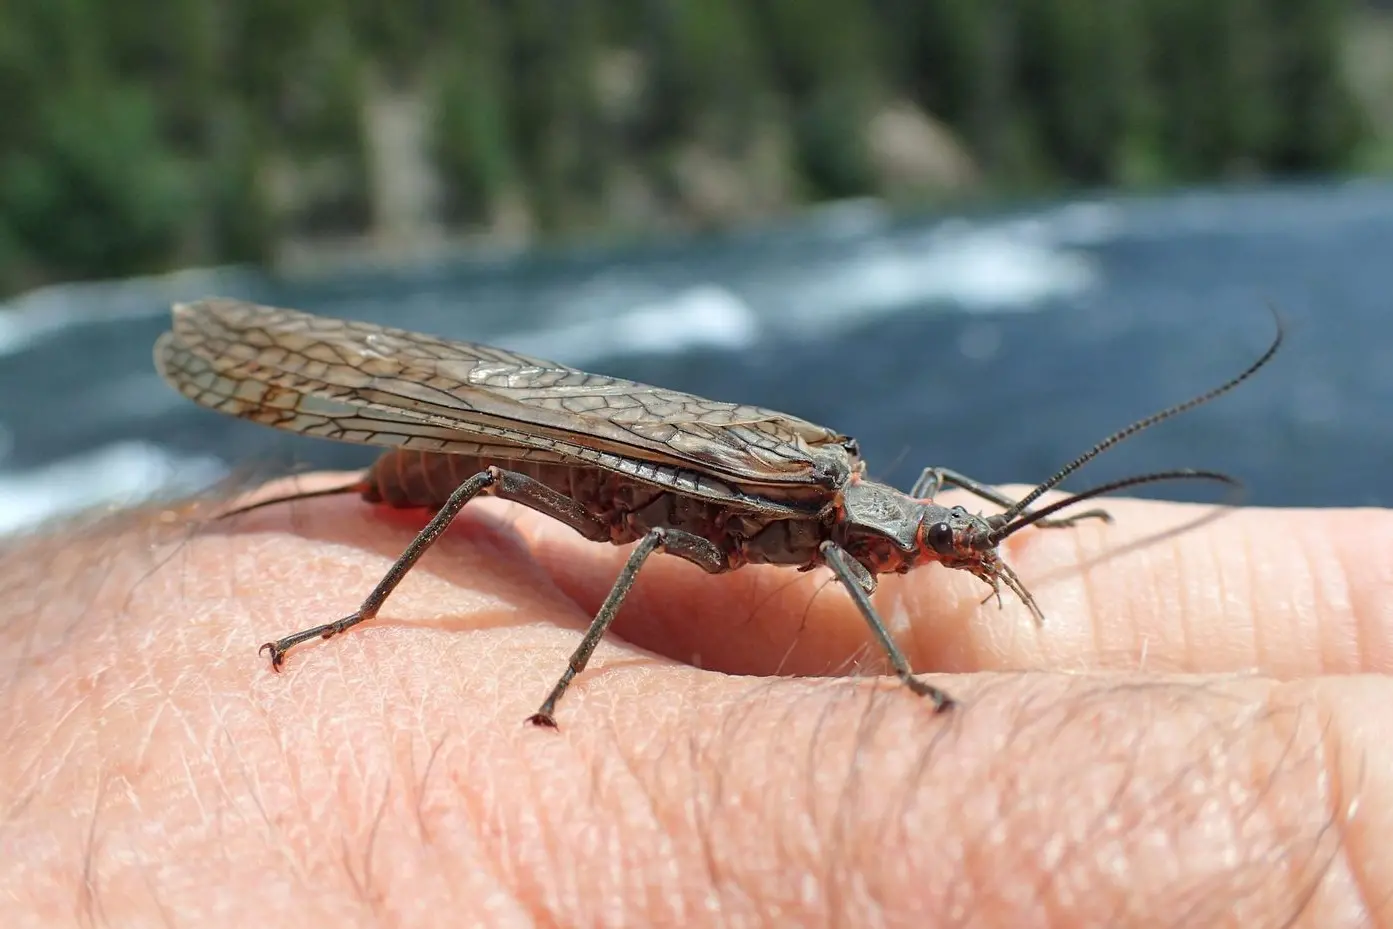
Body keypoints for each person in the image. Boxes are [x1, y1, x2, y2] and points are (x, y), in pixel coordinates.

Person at [2, 473, 1385, 926]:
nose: (943, 558)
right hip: (525, 462)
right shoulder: (823, 524)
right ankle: (357, 608)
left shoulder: (872, 513)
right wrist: (908, 681)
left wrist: (994, 533)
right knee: (520, 494)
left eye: (955, 546)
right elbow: (666, 537)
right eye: (947, 545)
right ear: (890, 536)